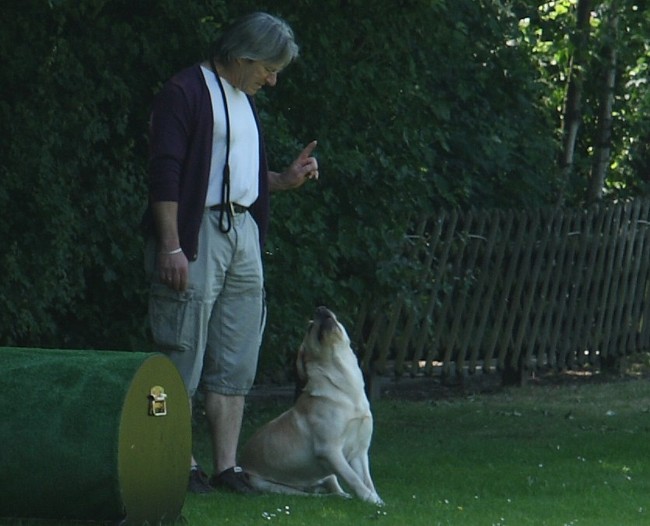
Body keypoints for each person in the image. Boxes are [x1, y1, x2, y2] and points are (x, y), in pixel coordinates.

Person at [143, 12, 318, 495]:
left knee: (236, 354)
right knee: (182, 349)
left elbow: (235, 174)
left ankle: (226, 467)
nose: (273, 79)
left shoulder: (243, 99)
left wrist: (283, 180)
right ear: (243, 57)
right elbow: (166, 174)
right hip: (196, 233)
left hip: (242, 233)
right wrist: (172, 244)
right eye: (268, 68)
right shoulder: (184, 92)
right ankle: (176, 460)